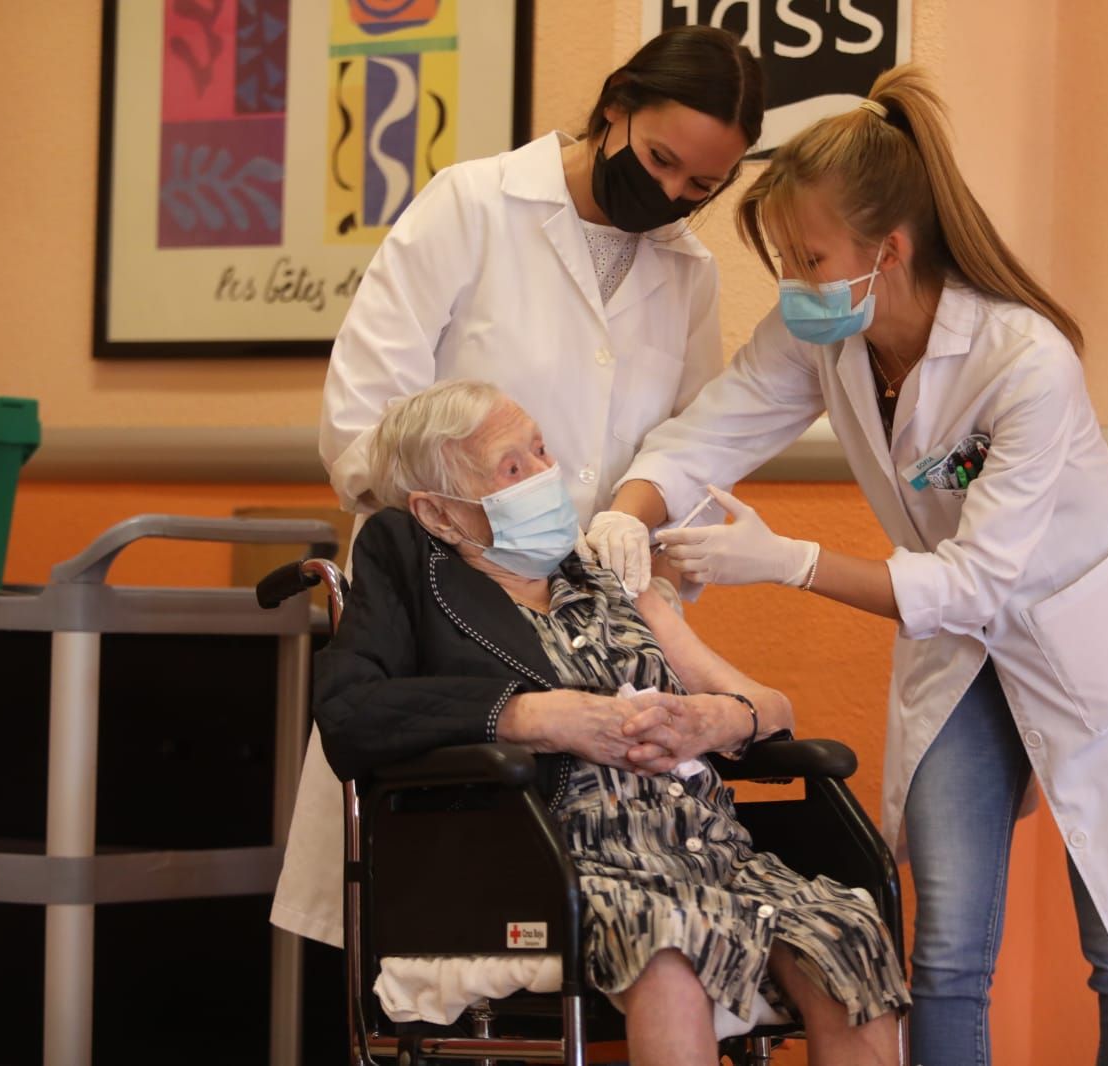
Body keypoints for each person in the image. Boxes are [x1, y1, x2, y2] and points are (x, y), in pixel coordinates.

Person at [595, 66, 1108, 1066]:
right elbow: (700, 440)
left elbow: (977, 580)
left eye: (807, 258)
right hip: (959, 654)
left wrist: (790, 561)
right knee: (940, 955)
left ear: (885, 252)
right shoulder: (827, 337)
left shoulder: (1024, 362)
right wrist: (622, 520)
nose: (793, 286)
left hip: (1087, 646)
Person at [275, 26, 765, 948]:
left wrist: (646, 534)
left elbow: (687, 450)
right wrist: (471, 537)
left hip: (602, 624)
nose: (668, 196)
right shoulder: (472, 206)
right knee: (448, 924)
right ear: (615, 105)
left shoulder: (687, 272)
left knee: (631, 914)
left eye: (701, 186)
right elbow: (361, 421)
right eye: (659, 160)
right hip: (452, 605)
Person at [315, 379, 909, 1066]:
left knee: (849, 932)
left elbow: (771, 712)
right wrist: (531, 715)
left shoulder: (604, 576)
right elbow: (349, 711)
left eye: (541, 452)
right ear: (440, 513)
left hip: (708, 855)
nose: (546, 475)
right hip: (555, 864)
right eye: (514, 468)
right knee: (669, 939)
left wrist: (716, 720)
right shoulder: (417, 574)